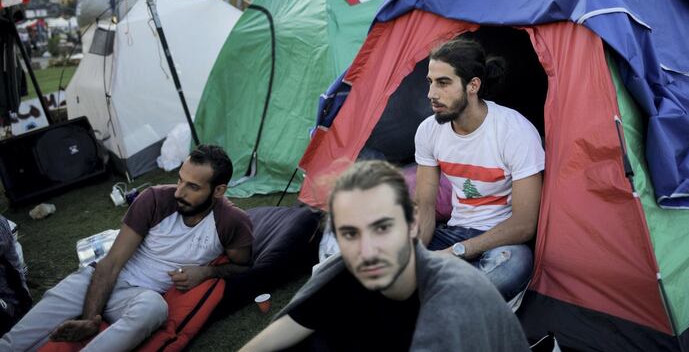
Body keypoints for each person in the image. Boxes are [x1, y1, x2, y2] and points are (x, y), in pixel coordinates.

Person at [240, 160, 529, 352]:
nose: (367, 251)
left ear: (413, 223)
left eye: (382, 228)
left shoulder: (452, 300)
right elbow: (294, 324)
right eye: (350, 233)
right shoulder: (348, 272)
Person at [0, 145, 253, 352]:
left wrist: (206, 273)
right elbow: (111, 264)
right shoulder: (155, 199)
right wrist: (90, 321)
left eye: (193, 187)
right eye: (180, 180)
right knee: (14, 342)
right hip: (100, 279)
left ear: (218, 190)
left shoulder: (231, 222)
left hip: (139, 297)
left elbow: (242, 265)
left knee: (155, 309)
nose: (179, 192)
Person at [415, 37, 544, 301]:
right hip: (452, 233)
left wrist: (457, 252)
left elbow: (524, 224)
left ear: (473, 85)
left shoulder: (514, 131)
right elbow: (425, 207)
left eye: (443, 83)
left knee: (514, 265)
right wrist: (413, 253)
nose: (431, 94)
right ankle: (453, 296)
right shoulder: (429, 130)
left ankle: (437, 297)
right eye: (430, 82)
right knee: (388, 256)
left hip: (502, 243)